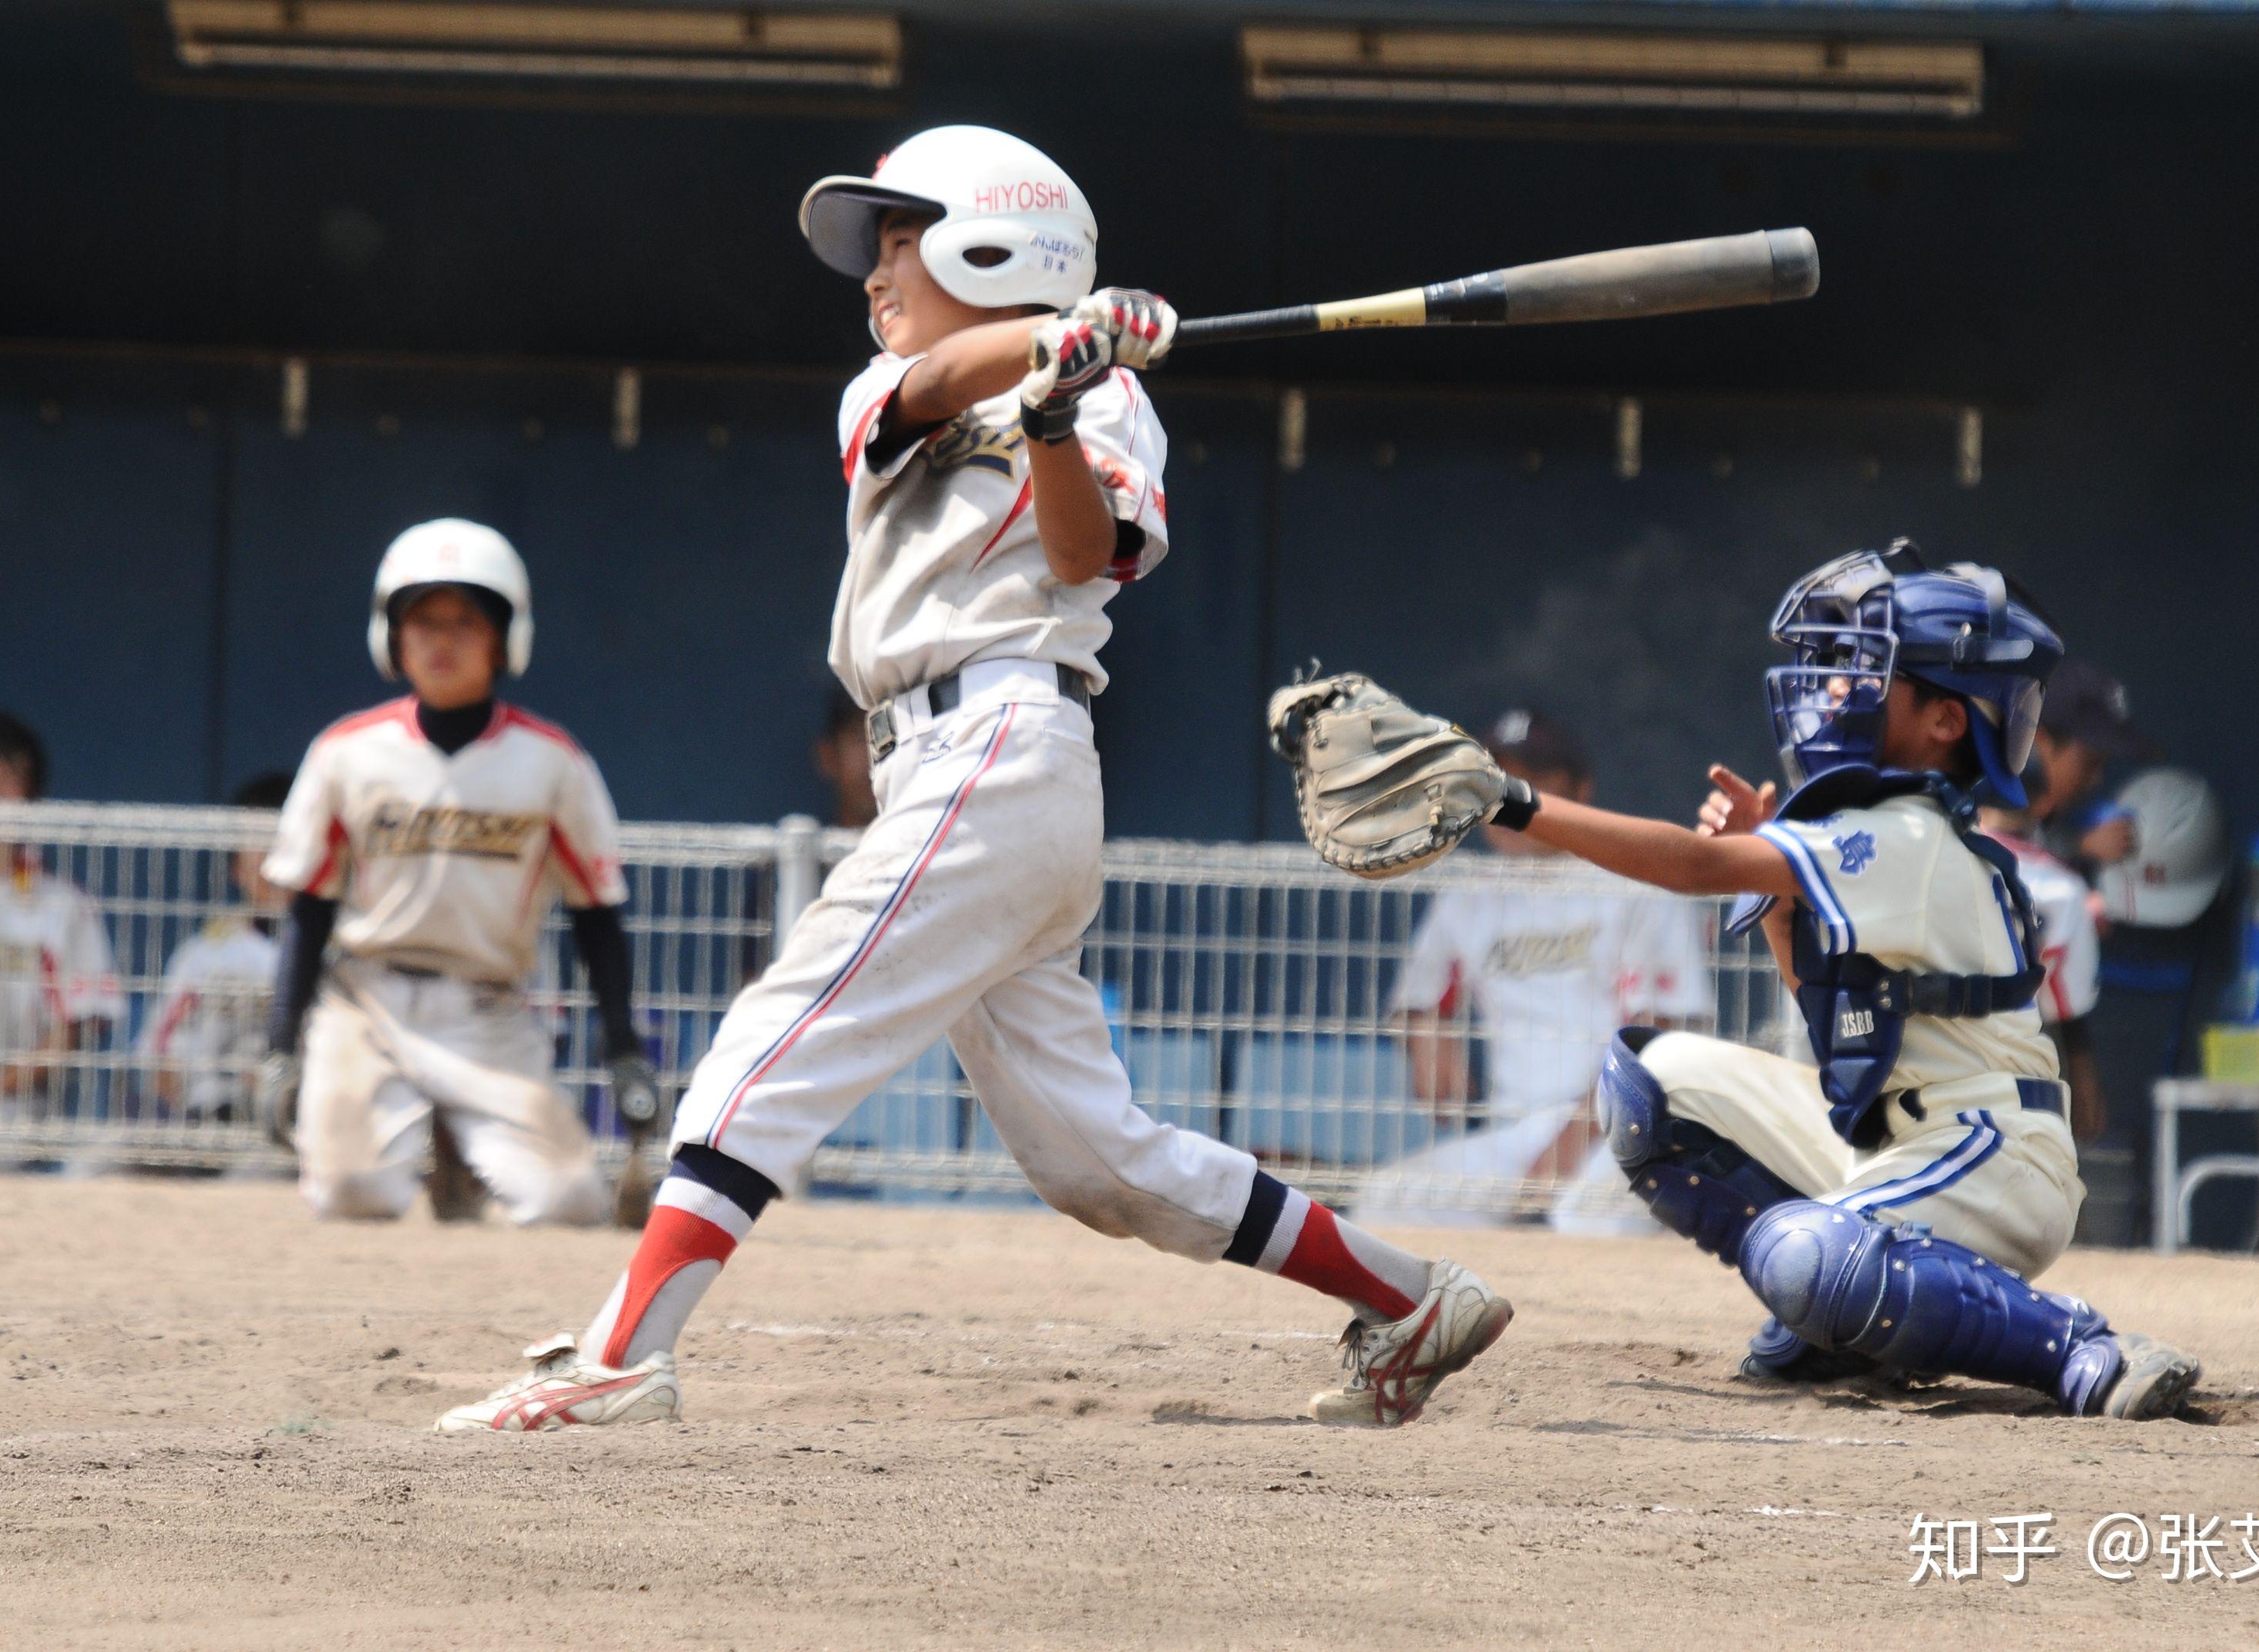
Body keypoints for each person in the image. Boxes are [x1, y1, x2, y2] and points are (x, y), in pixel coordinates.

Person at [436, 125, 1509, 1435]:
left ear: (990, 242)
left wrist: (1062, 403)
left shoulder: (1115, 405)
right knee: (1093, 1159)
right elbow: (942, 376)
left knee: (776, 1033)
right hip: (946, 768)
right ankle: (1408, 1297)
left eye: (901, 241)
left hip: (1006, 744)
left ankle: (622, 1351)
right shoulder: (885, 386)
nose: (876, 274)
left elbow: (1077, 552)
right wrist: (1044, 352)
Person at [1408, 541, 2199, 1418]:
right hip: (1900, 1141)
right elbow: (1840, 1038)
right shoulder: (1869, 823)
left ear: (1945, 720)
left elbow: (1689, 867)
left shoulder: (1909, 834)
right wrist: (1780, 900)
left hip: (1993, 1159)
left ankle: (2078, 1346)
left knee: (1806, 1257)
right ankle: (1841, 1321)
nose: (1830, 686)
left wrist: (1510, 801)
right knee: (1649, 1083)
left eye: (1866, 671)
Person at [258, 519, 657, 1226]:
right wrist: (280, 1046)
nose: (442, 640)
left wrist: (623, 1048)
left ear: (506, 638)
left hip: (488, 1012)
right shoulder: (347, 752)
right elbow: (308, 909)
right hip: (366, 1005)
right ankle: (435, 1148)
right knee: (355, 1197)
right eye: (422, 620)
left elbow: (597, 915)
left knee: (568, 1205)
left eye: (466, 621)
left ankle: (459, 1153)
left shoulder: (552, 761)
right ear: (392, 636)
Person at [1357, 708, 1712, 1234]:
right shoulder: (1467, 897)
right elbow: (1423, 1003)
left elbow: (1655, 1041)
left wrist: (1563, 1152)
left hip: (1632, 1132)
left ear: (1581, 790)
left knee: (1584, 1222)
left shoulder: (1636, 879)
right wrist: (1430, 1047)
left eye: (1536, 781)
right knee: (1385, 1203)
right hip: (1516, 1131)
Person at [0, 712, 122, 1150]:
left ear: (30, 800)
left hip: (8, 1104)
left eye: (6, 782)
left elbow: (72, 1032)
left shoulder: (62, 905)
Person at [139, 773, 294, 1122]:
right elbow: (157, 1055)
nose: (267, 859)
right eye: (255, 843)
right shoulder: (203, 954)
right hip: (198, 1117)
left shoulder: (340, 953)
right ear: (236, 865)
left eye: (280, 840)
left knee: (251, 1174)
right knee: (97, 1164)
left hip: (282, 1127)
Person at [1977, 778, 2107, 1148]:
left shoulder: (1942, 860)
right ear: (2041, 803)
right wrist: (2085, 1079)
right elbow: (2069, 1006)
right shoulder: (2063, 886)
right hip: (2018, 1068)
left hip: (1931, 1058)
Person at [2029, 660, 2158, 879]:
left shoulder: (2055, 819)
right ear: (2042, 743)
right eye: (2089, 764)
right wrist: (2081, 847)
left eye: (2104, 765)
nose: (2096, 780)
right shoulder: (1986, 802)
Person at [813, 684, 877, 828]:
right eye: (860, 737)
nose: (873, 753)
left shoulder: (932, 848)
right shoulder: (813, 850)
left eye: (881, 736)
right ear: (829, 756)